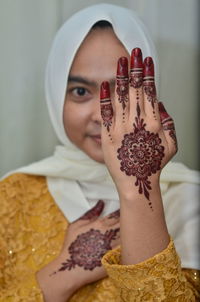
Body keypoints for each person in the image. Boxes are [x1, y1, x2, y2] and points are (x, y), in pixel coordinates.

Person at [0, 4, 199, 301]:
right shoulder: (13, 195)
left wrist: (138, 193)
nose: (101, 116)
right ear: (55, 95)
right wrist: (64, 273)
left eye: (121, 93)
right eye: (80, 92)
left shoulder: (189, 199)